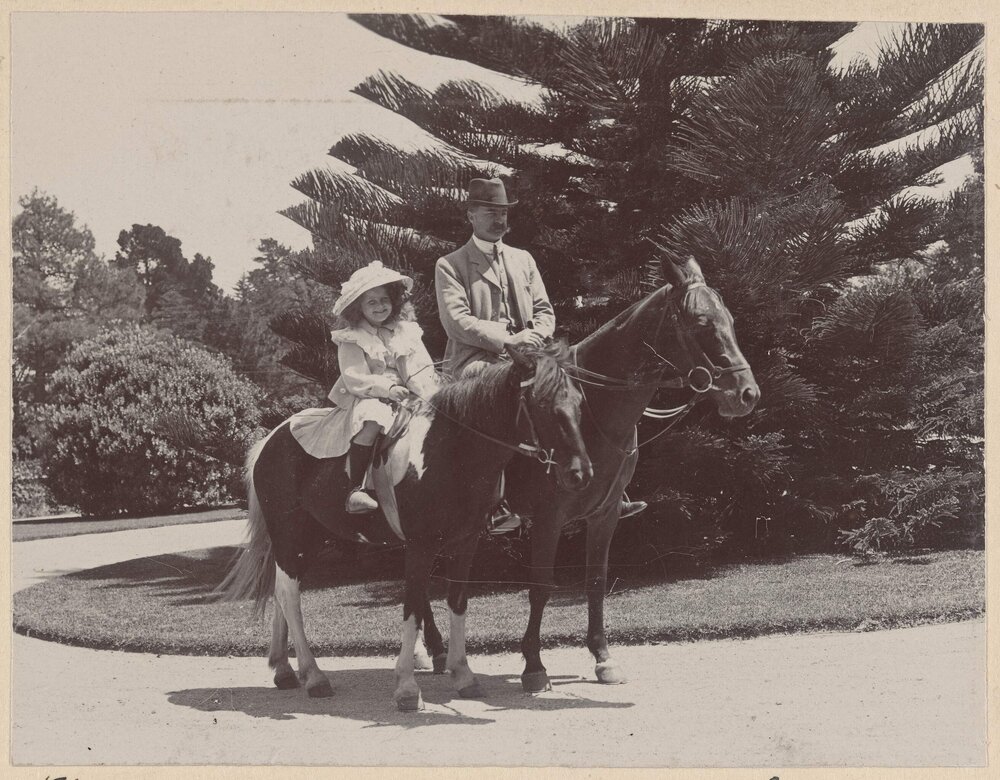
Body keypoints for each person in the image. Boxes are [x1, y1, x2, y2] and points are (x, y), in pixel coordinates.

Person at [434, 178, 646, 530]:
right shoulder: (451, 264)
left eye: (503, 213)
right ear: (471, 215)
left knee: (585, 388)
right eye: (490, 212)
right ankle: (496, 502)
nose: (499, 220)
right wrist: (508, 341)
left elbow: (545, 311)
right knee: (499, 398)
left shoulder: (523, 259)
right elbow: (457, 321)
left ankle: (611, 491)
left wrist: (534, 336)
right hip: (479, 360)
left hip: (532, 355)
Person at [289, 261, 438, 514]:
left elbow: (424, 364)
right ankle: (355, 489)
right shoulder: (352, 338)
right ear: (358, 308)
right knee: (373, 419)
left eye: (384, 300)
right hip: (372, 396)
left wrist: (421, 385)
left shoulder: (407, 331)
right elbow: (355, 377)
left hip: (413, 393)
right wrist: (388, 389)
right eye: (372, 302)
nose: (380, 307)